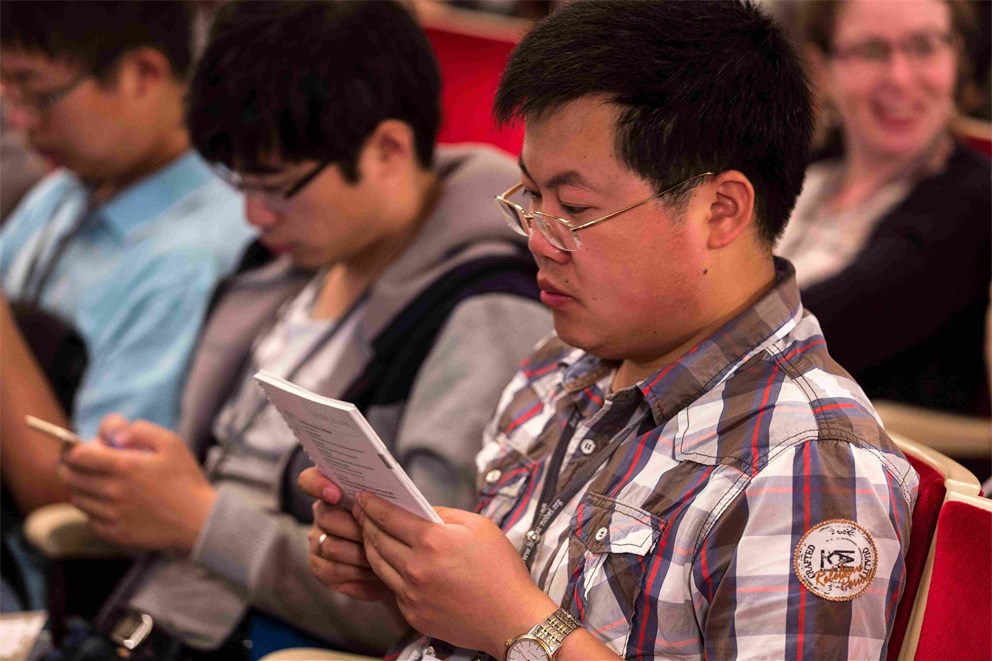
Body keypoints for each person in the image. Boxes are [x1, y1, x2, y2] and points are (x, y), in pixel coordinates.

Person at [300, 1, 920, 659]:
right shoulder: (561, 363)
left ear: (721, 210)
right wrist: (412, 579)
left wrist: (523, 627)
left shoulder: (807, 460)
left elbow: (514, 619)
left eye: (574, 208)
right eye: (531, 197)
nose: (538, 239)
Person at [56, 1, 550, 658]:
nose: (256, 215)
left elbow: (430, 589)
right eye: (242, 184)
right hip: (145, 625)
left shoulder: (485, 305)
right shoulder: (296, 263)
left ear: (388, 149)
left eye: (280, 187)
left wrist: (198, 519)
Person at [0, 0, 254, 516]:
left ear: (144, 74)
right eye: (10, 95)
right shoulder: (66, 192)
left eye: (42, 94)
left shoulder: (198, 256)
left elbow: (81, 500)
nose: (22, 123)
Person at [778, 0, 991, 419]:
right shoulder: (801, 171)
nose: (899, 77)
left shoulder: (973, 203)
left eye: (925, 46)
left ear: (957, 56)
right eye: (872, 51)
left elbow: (809, 335)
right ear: (822, 68)